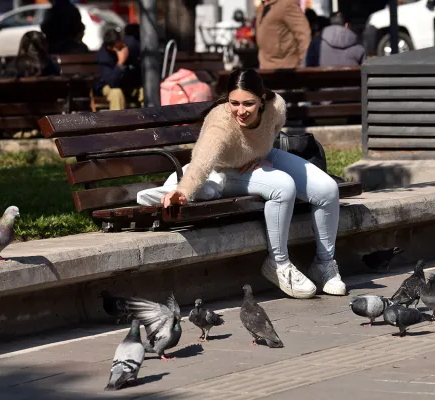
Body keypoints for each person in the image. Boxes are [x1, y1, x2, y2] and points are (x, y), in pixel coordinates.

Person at [160, 69, 346, 299]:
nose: (240, 111)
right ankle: (278, 263)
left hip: (262, 157)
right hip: (227, 171)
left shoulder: (276, 105)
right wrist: (182, 192)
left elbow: (274, 127)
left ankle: (324, 264)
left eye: (248, 103)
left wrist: (259, 155)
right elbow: (200, 164)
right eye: (234, 103)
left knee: (328, 189)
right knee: (283, 186)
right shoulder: (220, 124)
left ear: (262, 100)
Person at [94, 29, 143, 110]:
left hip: (130, 84)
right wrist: (120, 63)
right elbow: (112, 83)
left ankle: (149, 118)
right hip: (109, 85)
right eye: (119, 47)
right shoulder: (103, 56)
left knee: (146, 90)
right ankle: (119, 121)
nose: (123, 48)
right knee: (116, 93)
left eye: (123, 45)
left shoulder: (131, 44)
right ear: (110, 48)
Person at [255, 0, 311, 69]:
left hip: (286, 69)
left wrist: (304, 66)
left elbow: (303, 34)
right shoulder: (263, 5)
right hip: (265, 68)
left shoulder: (286, 3)